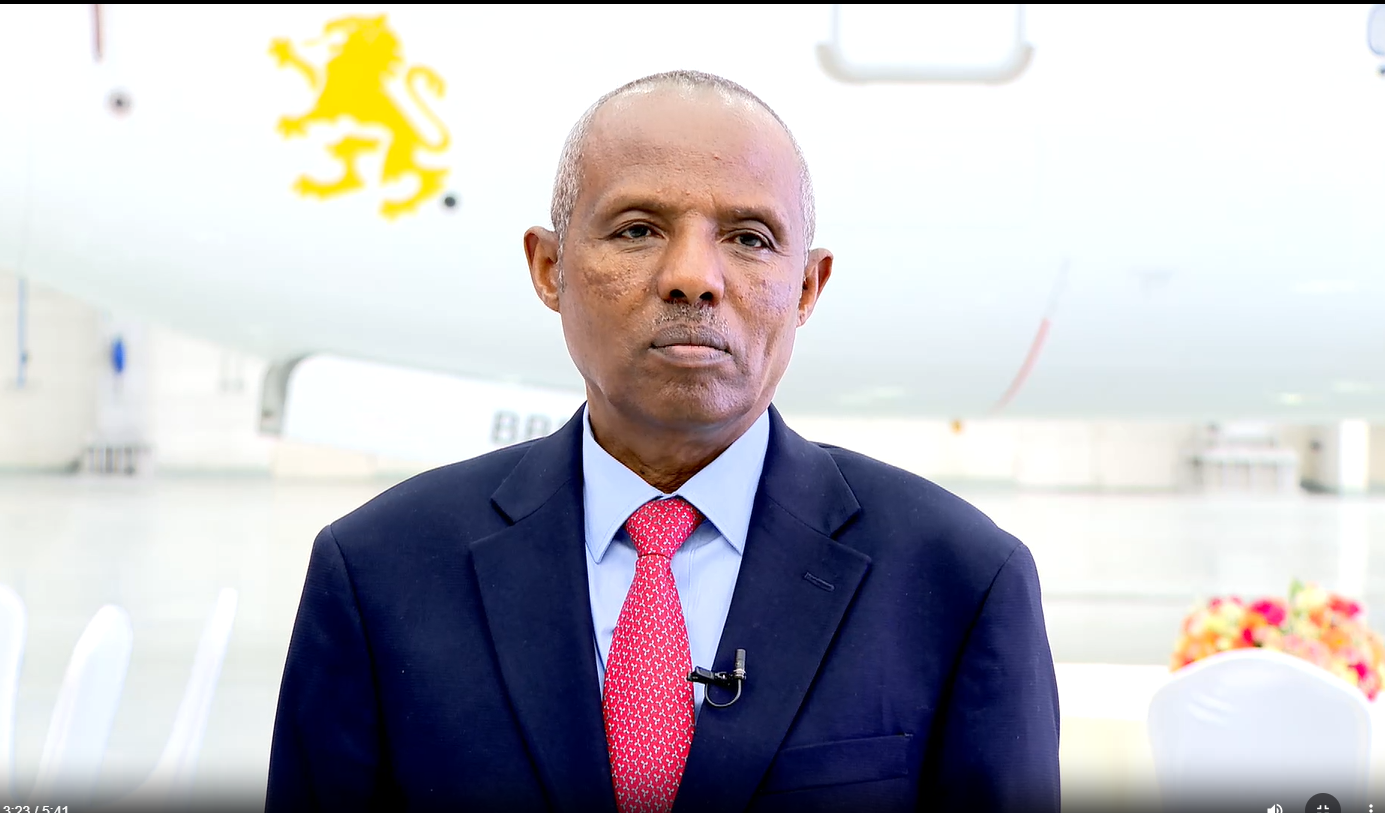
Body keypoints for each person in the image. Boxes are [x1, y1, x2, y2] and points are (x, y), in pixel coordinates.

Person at [266, 69, 1059, 813]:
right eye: (639, 229)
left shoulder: (958, 580)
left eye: (748, 238)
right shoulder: (378, 571)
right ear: (548, 267)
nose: (692, 276)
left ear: (807, 286)